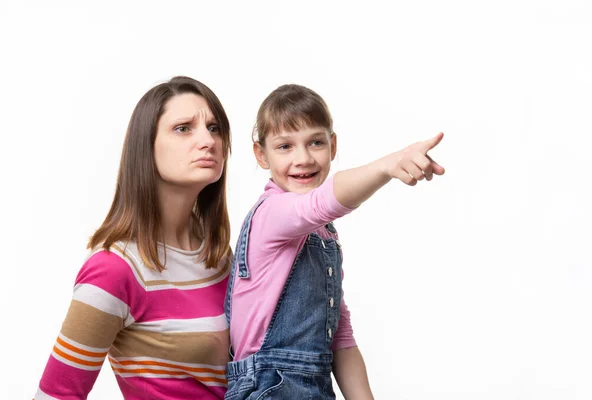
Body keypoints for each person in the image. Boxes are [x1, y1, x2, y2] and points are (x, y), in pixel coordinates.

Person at [224, 84, 445, 399]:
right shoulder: (271, 214)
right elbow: (321, 202)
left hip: (315, 387)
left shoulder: (323, 233)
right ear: (261, 154)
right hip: (268, 387)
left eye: (315, 142)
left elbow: (339, 334)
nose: (303, 158)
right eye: (285, 146)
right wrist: (387, 165)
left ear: (333, 145)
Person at [35, 76, 233, 399]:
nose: (207, 141)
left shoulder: (215, 252)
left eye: (214, 128)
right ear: (146, 146)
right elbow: (55, 395)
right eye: (183, 128)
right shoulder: (113, 269)